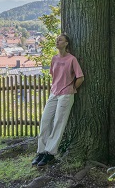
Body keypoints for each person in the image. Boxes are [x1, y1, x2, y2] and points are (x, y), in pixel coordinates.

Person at [32, 33, 84, 167]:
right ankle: (41, 152)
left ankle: (50, 154)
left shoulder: (72, 59)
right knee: (45, 121)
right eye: (57, 40)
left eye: (60, 40)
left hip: (66, 95)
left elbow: (80, 77)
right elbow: (54, 76)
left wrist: (71, 88)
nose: (57, 41)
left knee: (58, 123)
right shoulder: (54, 59)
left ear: (66, 43)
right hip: (53, 93)